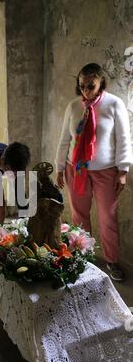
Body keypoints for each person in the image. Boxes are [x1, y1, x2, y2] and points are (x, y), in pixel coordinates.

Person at [55, 63, 132, 281]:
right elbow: (64, 140)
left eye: (91, 85)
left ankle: (112, 260)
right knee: (79, 217)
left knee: (108, 217)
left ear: (101, 83)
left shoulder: (114, 104)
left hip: (105, 171)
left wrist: (123, 170)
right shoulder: (73, 107)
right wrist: (60, 168)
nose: (86, 90)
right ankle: (83, 257)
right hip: (75, 170)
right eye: (82, 86)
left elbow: (124, 139)